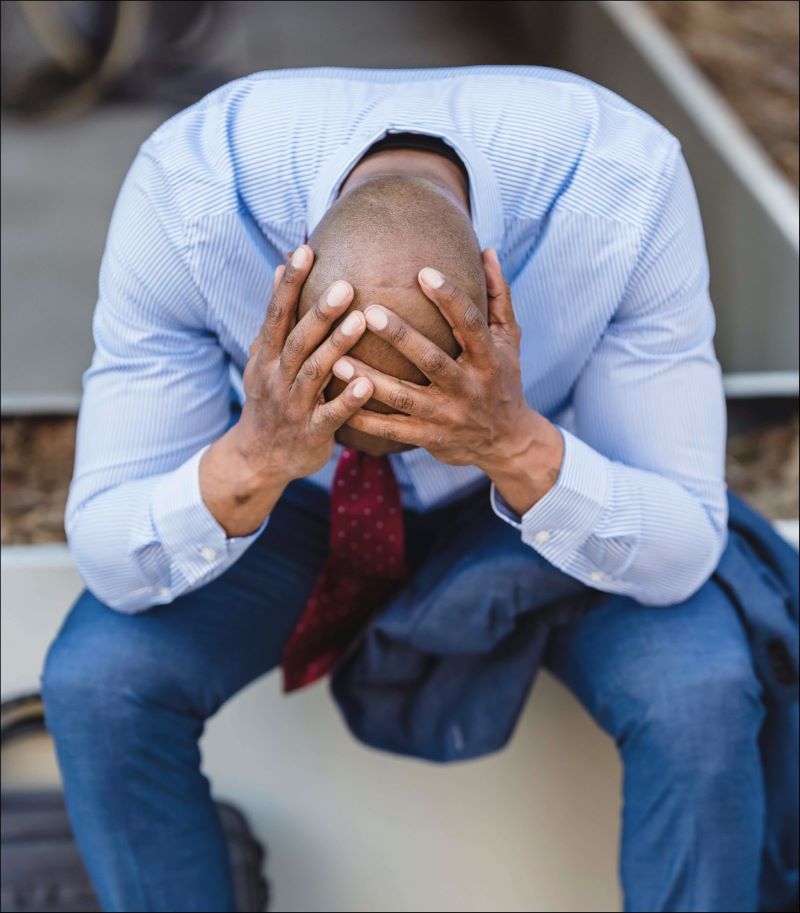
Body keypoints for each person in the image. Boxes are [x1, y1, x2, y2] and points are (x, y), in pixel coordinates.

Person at [40, 66, 797, 912]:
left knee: (699, 691)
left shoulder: (622, 186)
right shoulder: (190, 193)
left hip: (528, 485)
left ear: (493, 286)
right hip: (291, 492)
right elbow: (110, 548)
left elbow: (685, 544)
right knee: (99, 684)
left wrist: (510, 441)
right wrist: (258, 453)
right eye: (350, 403)